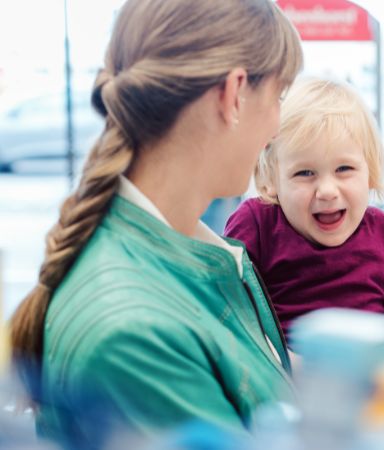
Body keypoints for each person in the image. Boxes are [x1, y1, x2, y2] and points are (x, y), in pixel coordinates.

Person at [9, 0, 302, 446]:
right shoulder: (135, 336)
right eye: (278, 98)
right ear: (234, 94)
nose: (277, 128)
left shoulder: (191, 254)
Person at [224, 78, 384, 350]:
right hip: (284, 382)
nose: (327, 191)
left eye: (344, 169)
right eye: (305, 173)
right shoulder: (257, 224)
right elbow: (229, 315)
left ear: (370, 171)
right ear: (272, 179)